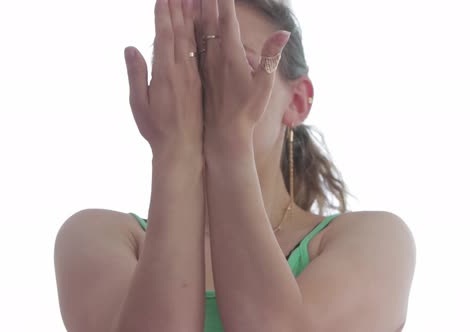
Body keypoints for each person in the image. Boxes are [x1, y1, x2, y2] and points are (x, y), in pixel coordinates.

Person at [54, 0, 416, 331]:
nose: (198, 83)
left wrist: (230, 142)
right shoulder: (98, 236)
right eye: (182, 62)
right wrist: (176, 155)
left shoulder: (375, 239)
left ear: (298, 102)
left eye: (232, 63)